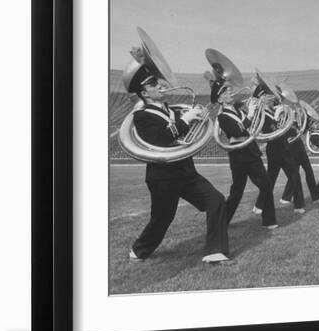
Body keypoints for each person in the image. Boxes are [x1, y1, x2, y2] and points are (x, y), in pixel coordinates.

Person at [125, 46, 232, 264]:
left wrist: (199, 114)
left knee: (215, 200)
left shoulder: (171, 110)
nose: (160, 85)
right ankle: (139, 250)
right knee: (162, 219)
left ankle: (214, 251)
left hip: (185, 171)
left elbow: (188, 126)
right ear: (145, 93)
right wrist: (187, 119)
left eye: (157, 81)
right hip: (162, 176)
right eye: (154, 84)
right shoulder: (142, 116)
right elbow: (162, 139)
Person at [212, 76, 278, 229]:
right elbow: (237, 131)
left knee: (266, 185)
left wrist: (255, 106)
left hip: (251, 151)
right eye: (225, 92)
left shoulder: (237, 110)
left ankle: (269, 221)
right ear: (220, 99)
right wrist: (250, 115)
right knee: (237, 191)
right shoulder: (222, 117)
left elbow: (250, 125)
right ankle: (223, 221)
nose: (230, 93)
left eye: (229, 90)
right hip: (238, 154)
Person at [253, 84, 305, 214]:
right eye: (269, 95)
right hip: (274, 149)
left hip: (284, 147)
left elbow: (283, 128)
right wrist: (277, 117)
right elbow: (268, 129)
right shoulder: (261, 112)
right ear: (262, 98)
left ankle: (298, 205)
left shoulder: (272, 110)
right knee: (271, 179)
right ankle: (259, 205)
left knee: (295, 176)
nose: (272, 98)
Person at [280, 118, 319, 205]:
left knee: (309, 172)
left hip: (301, 150)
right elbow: (291, 135)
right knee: (295, 175)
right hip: (292, 152)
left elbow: (304, 128)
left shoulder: (296, 123)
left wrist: (309, 125)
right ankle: (286, 197)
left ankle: (315, 197)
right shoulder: (284, 127)